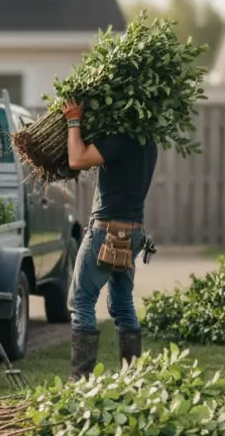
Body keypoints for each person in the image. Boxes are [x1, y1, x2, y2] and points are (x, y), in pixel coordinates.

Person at [62, 100, 157, 379]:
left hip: (106, 231)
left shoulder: (118, 138)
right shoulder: (149, 141)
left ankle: (80, 383)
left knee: (81, 301)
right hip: (134, 231)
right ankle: (133, 379)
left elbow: (77, 159)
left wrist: (74, 120)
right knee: (122, 303)